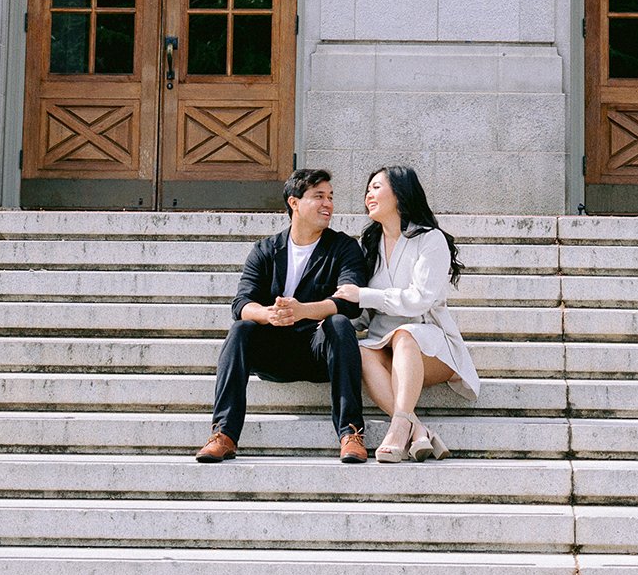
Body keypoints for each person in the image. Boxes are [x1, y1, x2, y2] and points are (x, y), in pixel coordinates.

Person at [195, 167, 368, 464]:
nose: (328, 204)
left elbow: (350, 302)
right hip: (274, 352)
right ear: (294, 202)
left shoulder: (343, 247)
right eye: (319, 197)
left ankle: (351, 433)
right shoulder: (266, 249)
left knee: (339, 323)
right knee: (241, 329)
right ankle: (223, 434)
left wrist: (303, 310)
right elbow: (241, 303)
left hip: (319, 351)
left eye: (330, 197)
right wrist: (268, 314)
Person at [334, 164, 480, 464]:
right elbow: (365, 315)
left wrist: (362, 294)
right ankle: (417, 428)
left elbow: (418, 300)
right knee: (360, 352)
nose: (368, 194)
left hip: (430, 346)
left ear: (400, 193)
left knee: (404, 335)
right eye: (368, 189)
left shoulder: (430, 240)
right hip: (382, 345)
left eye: (377, 187)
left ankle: (399, 428)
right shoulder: (370, 245)